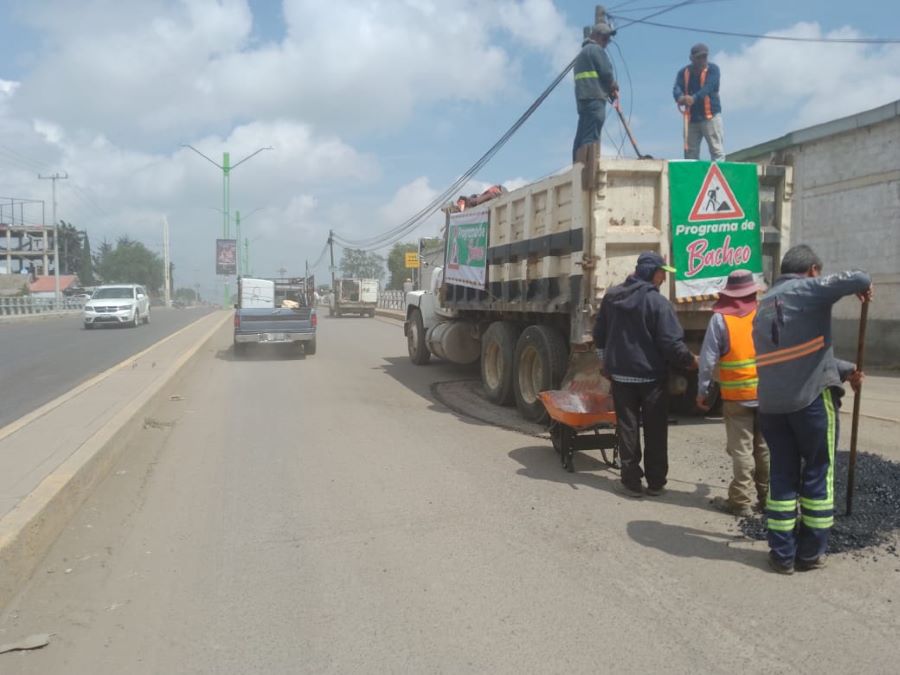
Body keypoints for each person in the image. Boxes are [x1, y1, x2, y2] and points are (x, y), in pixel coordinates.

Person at [752, 245, 872, 574]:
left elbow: (796, 357)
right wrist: (863, 286)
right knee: (820, 469)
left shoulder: (762, 307)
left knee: (782, 475)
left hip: (773, 408)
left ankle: (781, 554)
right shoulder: (808, 288)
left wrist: (844, 370)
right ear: (814, 270)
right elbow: (859, 276)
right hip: (810, 401)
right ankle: (809, 553)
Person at [593, 252, 698, 498]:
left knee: (627, 428)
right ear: (653, 272)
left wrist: (606, 364)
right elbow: (671, 343)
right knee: (655, 429)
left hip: (621, 377)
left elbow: (599, 335)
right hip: (652, 380)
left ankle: (630, 482)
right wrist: (689, 362)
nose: (663, 278)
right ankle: (655, 482)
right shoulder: (658, 303)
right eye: (662, 273)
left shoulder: (611, 297)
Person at [697, 270, 769, 517]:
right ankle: (767, 498)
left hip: (737, 397)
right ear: (752, 291)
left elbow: (707, 361)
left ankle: (740, 501)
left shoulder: (720, 319)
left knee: (742, 450)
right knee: (763, 447)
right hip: (767, 394)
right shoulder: (763, 315)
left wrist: (703, 390)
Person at [572, 21, 619, 163]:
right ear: (596, 36)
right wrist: (613, 86)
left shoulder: (582, 54)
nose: (606, 42)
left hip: (584, 100)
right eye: (605, 38)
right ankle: (588, 170)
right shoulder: (596, 50)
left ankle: (577, 166)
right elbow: (606, 73)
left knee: (582, 135)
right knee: (592, 137)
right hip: (595, 99)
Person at [672, 43, 725, 162]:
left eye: (704, 57)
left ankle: (718, 178)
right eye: (699, 57)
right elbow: (677, 88)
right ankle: (692, 179)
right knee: (690, 153)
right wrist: (680, 97)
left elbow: (709, 87)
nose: (702, 60)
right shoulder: (683, 72)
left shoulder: (713, 70)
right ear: (691, 58)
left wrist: (693, 98)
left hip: (711, 117)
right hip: (692, 119)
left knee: (716, 151)